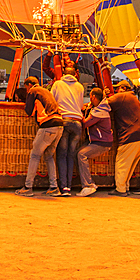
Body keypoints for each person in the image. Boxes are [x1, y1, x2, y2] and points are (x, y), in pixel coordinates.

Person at [15, 77, 64, 197]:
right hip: (60, 125)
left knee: (35, 155)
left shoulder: (33, 91)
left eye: (26, 87)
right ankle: (54, 187)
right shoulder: (46, 91)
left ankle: (28, 187)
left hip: (47, 125)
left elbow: (29, 111)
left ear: (29, 85)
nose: (26, 90)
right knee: (49, 156)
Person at [107, 81, 140, 196]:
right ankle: (125, 187)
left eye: (118, 89)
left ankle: (120, 189)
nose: (116, 91)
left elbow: (103, 104)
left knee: (122, 163)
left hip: (131, 136)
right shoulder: (133, 98)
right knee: (130, 165)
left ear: (123, 88)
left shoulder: (122, 96)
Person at [51, 64, 85, 196]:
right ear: (75, 74)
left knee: (61, 154)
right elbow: (81, 105)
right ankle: (69, 187)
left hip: (64, 120)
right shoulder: (80, 86)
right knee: (71, 155)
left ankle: (63, 186)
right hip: (77, 122)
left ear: (64, 74)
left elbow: (52, 101)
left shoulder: (57, 84)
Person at [77, 87, 112, 196]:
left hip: (101, 142)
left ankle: (88, 185)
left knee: (81, 154)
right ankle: (87, 182)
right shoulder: (101, 108)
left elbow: (85, 124)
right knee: (76, 153)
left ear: (92, 96)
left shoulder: (99, 112)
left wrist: (78, 112)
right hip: (97, 141)